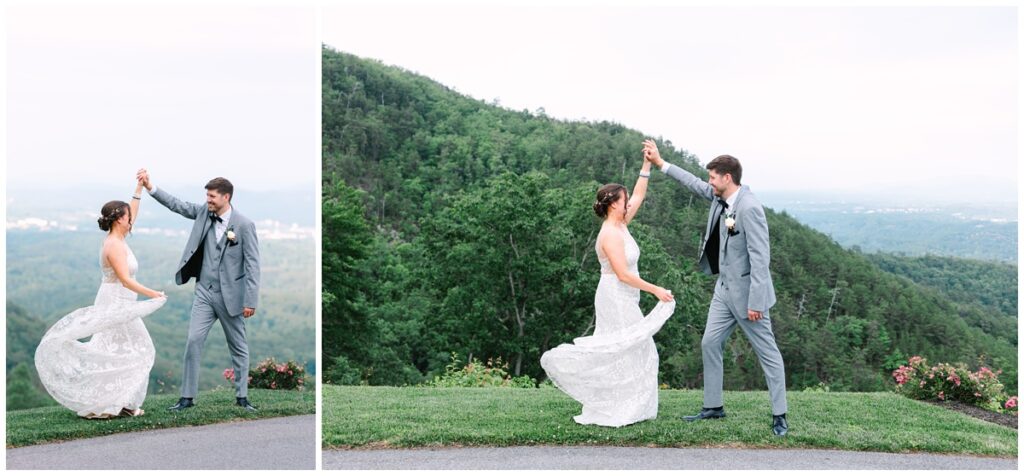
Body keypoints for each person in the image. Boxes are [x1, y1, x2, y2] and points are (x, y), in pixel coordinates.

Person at [643, 139, 788, 436]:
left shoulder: (750, 208)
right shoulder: (718, 197)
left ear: (727, 178)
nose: (709, 182)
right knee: (710, 342)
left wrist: (757, 303)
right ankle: (713, 407)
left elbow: (761, 259)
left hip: (749, 297)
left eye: (713, 177)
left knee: (768, 354)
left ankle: (779, 415)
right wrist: (660, 164)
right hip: (723, 290)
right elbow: (693, 183)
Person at [540, 153, 675, 427]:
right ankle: (618, 408)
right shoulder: (610, 234)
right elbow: (623, 275)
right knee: (630, 348)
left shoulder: (621, 224)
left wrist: (647, 165)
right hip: (615, 296)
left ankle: (626, 406)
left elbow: (639, 195)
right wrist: (655, 290)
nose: (628, 203)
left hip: (625, 296)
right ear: (614, 204)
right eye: (623, 200)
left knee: (630, 350)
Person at [35, 179, 166, 419]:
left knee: (118, 351)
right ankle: (111, 403)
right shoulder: (114, 245)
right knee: (138, 348)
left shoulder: (120, 237)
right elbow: (125, 280)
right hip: (115, 302)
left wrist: (139, 189)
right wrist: (153, 294)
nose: (131, 221)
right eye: (127, 217)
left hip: (123, 302)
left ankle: (120, 402)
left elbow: (132, 213)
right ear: (119, 220)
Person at [137, 169, 261, 412]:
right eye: (207, 196)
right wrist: (150, 187)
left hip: (232, 297)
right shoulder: (203, 212)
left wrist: (250, 301)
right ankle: (187, 398)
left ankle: (242, 397)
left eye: (212, 196)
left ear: (226, 197)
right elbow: (177, 205)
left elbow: (253, 265)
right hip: (204, 291)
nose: (208, 200)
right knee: (193, 340)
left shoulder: (245, 225)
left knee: (238, 346)